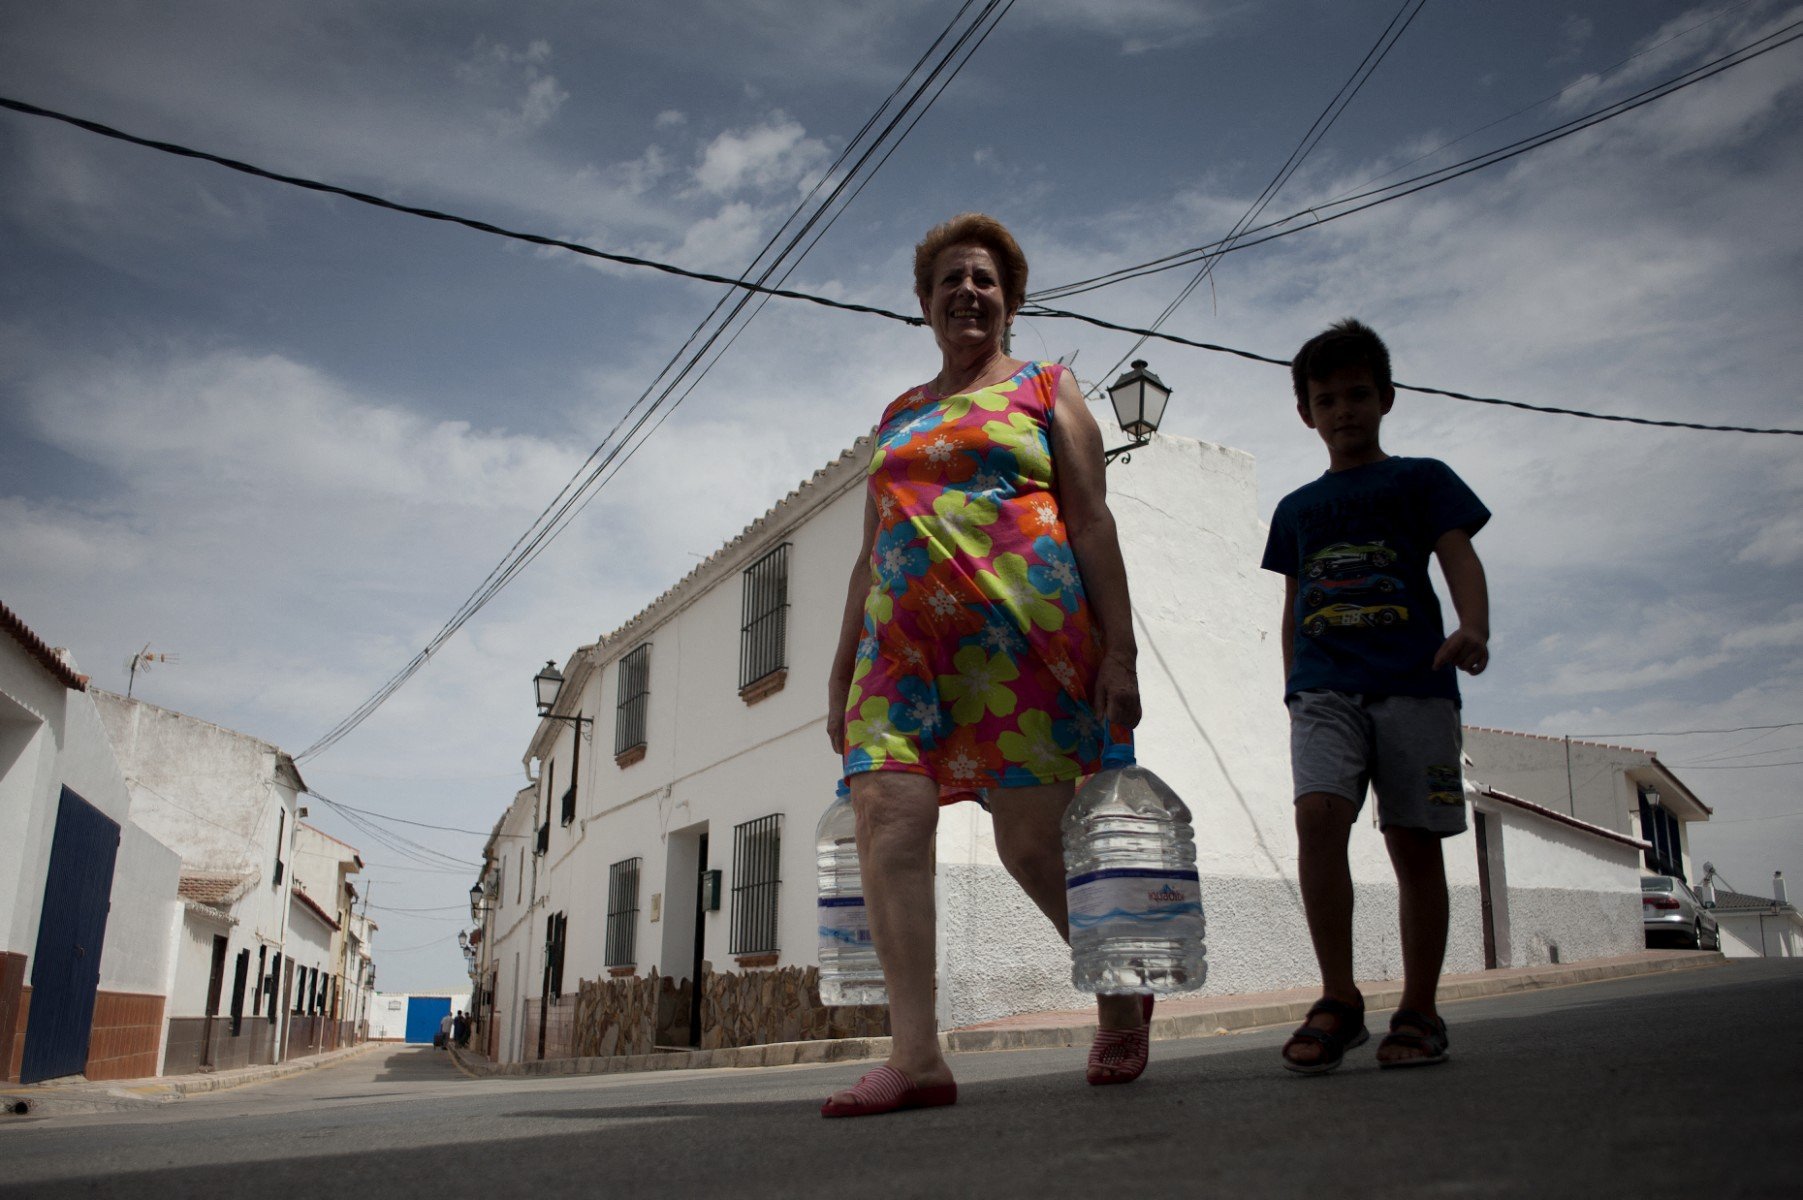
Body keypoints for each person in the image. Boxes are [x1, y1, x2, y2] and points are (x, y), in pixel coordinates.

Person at [821, 213, 1144, 1118]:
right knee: (886, 815)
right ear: (923, 305)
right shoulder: (898, 415)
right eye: (950, 280)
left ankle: (1118, 992)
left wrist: (1118, 651)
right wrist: (842, 664)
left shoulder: (1047, 388)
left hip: (1021, 646)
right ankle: (917, 1056)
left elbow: (1090, 521)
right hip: (902, 651)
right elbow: (866, 548)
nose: (968, 291)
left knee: (1030, 843)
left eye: (985, 280)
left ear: (1009, 301)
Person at [1260, 319, 1491, 1073]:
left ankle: (1419, 1010)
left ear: (1385, 398)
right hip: (1324, 690)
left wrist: (1473, 628)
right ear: (1305, 413)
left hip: (1414, 685)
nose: (1342, 411)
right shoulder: (1295, 508)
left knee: (1411, 843)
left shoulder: (1420, 479)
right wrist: (1294, 684)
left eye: (1357, 394)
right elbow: (1295, 601)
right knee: (1317, 817)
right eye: (1325, 399)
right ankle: (1339, 998)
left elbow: (1457, 553)